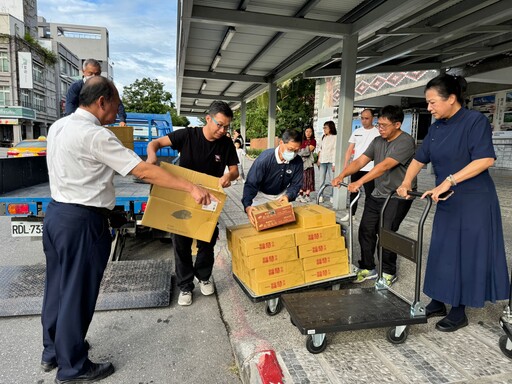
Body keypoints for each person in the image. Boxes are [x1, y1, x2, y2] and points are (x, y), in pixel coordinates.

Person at [41, 76, 212, 383]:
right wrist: (191, 188)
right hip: (82, 220)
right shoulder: (96, 135)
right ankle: (73, 367)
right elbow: (142, 170)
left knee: (57, 286)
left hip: (56, 215)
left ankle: (53, 350)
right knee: (77, 293)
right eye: (116, 104)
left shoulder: (59, 126)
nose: (118, 111)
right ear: (102, 101)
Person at [397, 74, 509, 332]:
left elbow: (485, 160)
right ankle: (438, 299)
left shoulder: (475, 121)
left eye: (432, 102)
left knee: (465, 253)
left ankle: (460, 310)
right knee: (441, 249)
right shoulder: (436, 126)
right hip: (446, 200)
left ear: (452, 99)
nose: (429, 108)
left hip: (474, 200)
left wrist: (448, 181)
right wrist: (406, 182)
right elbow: (419, 157)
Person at [146, 101, 239, 306]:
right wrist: (151, 157)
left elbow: (235, 170)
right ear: (208, 118)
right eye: (219, 125)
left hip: (209, 200)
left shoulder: (225, 144)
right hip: (183, 197)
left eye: (226, 127)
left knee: (208, 240)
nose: (222, 130)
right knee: (181, 243)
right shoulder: (187, 135)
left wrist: (228, 175)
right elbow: (155, 144)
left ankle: (204, 277)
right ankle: (185, 286)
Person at [332, 105, 416, 286]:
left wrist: (360, 182)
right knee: (366, 229)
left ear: (397, 124)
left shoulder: (405, 142)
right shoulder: (378, 141)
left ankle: (388, 271)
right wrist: (342, 175)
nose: (380, 128)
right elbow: (361, 161)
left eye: (385, 125)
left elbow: (384, 166)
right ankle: (368, 267)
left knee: (386, 232)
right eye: (379, 124)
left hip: (397, 196)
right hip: (378, 193)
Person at [242, 129, 303, 226]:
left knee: (283, 226)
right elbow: (251, 183)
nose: (293, 154)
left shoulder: (297, 161)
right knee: (261, 225)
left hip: (281, 196)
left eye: (296, 150)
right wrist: (247, 205)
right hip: (261, 195)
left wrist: (288, 196)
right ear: (281, 142)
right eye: (290, 149)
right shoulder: (265, 159)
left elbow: (296, 184)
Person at [65, 59, 127, 126]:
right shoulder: (76, 87)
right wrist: (74, 122)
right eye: (90, 73)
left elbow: (117, 102)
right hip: (78, 122)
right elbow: (70, 106)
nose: (93, 76)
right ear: (83, 72)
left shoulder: (105, 87)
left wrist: (122, 120)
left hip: (98, 122)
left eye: (97, 74)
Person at [342, 109, 380, 215]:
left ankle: (367, 214)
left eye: (367, 118)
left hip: (371, 168)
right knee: (353, 191)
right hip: (356, 167)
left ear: (373, 118)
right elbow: (349, 150)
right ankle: (351, 214)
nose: (364, 121)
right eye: (362, 118)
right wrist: (346, 165)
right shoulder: (357, 132)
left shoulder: (378, 132)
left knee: (369, 194)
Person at [316, 121, 337, 203]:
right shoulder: (323, 137)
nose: (324, 129)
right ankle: (321, 195)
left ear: (331, 128)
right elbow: (321, 149)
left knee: (332, 179)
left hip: (331, 161)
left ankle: (332, 196)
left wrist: (334, 163)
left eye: (326, 128)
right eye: (323, 127)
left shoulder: (335, 137)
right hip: (323, 161)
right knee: (321, 179)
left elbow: (335, 151)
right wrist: (319, 159)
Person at [297, 127, 316, 202]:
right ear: (304, 132)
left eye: (310, 132)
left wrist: (300, 152)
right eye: (307, 131)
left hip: (308, 163)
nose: (308, 133)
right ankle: (300, 194)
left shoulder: (313, 141)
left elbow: (308, 151)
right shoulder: (301, 141)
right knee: (301, 178)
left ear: (312, 133)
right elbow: (298, 150)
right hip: (300, 163)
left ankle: (307, 195)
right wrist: (302, 151)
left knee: (309, 179)